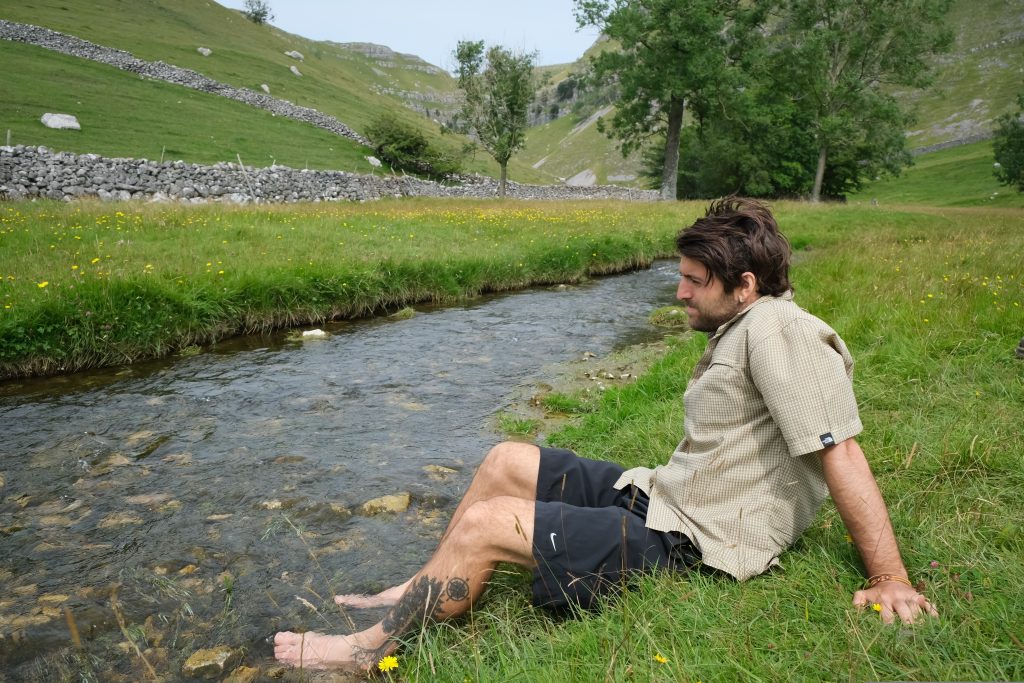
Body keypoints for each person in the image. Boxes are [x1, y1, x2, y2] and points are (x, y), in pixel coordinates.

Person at [273, 197, 938, 672]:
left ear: (744, 285)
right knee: (508, 458)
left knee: (487, 525)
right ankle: (420, 583)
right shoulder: (745, 322)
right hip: (667, 496)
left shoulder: (779, 331)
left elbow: (839, 448)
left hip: (696, 544)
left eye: (693, 281)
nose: (678, 293)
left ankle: (365, 653)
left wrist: (890, 575)